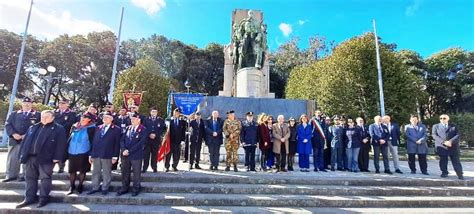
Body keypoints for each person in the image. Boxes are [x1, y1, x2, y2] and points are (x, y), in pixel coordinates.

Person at [16, 110, 67, 208]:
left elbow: (61, 144)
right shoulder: (33, 127)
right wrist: (22, 155)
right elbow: (25, 142)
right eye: (43, 116)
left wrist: (57, 157)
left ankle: (43, 199)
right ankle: (29, 198)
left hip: (47, 158)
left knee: (45, 178)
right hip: (30, 157)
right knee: (30, 178)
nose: (44, 118)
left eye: (47, 116)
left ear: (52, 118)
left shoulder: (58, 128)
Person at [3, 97, 41, 183]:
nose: (26, 105)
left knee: (27, 158)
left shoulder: (37, 115)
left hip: (29, 140)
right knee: (12, 158)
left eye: (28, 104)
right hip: (14, 139)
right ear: (22, 104)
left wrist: (27, 135)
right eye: (24, 103)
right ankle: (11, 175)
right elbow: (8, 125)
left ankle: (25, 175)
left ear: (32, 104)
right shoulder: (14, 114)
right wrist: (13, 134)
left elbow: (39, 127)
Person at [87, 112, 122, 195]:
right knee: (96, 171)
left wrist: (115, 156)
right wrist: (90, 154)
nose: (105, 119)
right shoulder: (98, 128)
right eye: (104, 117)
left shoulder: (116, 129)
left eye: (107, 117)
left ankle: (105, 187)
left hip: (107, 154)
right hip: (96, 153)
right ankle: (95, 187)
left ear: (111, 119)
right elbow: (93, 142)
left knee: (106, 172)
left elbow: (117, 144)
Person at [117, 113, 148, 196]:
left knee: (136, 173)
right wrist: (123, 149)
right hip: (125, 155)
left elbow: (141, 143)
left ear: (139, 120)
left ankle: (136, 188)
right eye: (131, 119)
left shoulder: (143, 129)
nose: (132, 121)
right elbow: (122, 140)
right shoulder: (128, 128)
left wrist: (129, 151)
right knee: (125, 172)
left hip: (136, 155)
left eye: (134, 119)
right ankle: (124, 188)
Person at [66, 112, 96, 195]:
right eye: (82, 116)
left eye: (85, 117)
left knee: (82, 170)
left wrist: (91, 153)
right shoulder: (75, 126)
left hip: (84, 151)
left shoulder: (92, 128)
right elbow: (70, 136)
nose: (83, 118)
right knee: (72, 170)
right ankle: (71, 186)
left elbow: (93, 141)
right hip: (72, 151)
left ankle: (80, 185)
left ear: (89, 119)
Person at [432, 114, 463, 180]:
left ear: (448, 119)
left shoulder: (454, 126)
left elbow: (458, 135)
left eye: (444, 118)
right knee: (443, 160)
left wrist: (450, 141)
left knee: (456, 161)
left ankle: (460, 174)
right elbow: (434, 135)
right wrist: (444, 142)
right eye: (441, 118)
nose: (442, 119)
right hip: (442, 146)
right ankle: (444, 172)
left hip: (453, 146)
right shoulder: (436, 126)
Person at [54, 98, 76, 174]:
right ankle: (51, 166)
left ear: (67, 104)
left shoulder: (71, 113)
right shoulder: (55, 112)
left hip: (64, 134)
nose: (61, 105)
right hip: (54, 134)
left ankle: (61, 167)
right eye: (60, 103)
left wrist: (60, 128)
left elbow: (70, 122)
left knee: (62, 151)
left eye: (63, 103)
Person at [142, 107, 165, 173]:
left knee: (154, 154)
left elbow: (162, 129)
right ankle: (145, 167)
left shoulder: (160, 120)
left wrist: (156, 135)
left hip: (156, 140)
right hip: (147, 140)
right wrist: (149, 134)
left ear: (157, 113)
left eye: (155, 112)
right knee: (146, 154)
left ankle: (154, 167)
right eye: (153, 111)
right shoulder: (146, 119)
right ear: (150, 112)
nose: (154, 113)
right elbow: (144, 128)